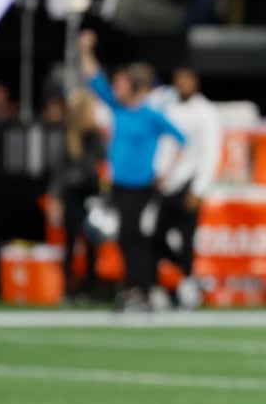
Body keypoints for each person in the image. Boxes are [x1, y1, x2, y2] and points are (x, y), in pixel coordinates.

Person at [77, 30, 186, 312]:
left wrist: (168, 173)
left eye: (122, 84)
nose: (116, 87)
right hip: (119, 185)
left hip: (142, 185)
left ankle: (143, 289)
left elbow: (182, 141)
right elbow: (94, 77)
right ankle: (139, 288)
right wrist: (86, 49)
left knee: (134, 236)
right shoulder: (117, 109)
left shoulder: (150, 115)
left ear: (135, 87)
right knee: (124, 238)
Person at [150, 67, 222, 308]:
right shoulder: (166, 105)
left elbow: (210, 152)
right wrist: (157, 173)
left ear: (196, 82)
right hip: (166, 183)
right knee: (156, 235)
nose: (182, 84)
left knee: (186, 236)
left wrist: (199, 188)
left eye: (186, 79)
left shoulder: (205, 112)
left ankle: (188, 285)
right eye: (178, 79)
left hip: (188, 182)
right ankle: (180, 277)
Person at [47, 89, 107, 302]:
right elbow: (60, 170)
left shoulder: (95, 136)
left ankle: (90, 287)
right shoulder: (69, 135)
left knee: (92, 242)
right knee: (71, 241)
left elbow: (96, 165)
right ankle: (68, 287)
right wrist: (55, 196)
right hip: (72, 194)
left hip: (91, 193)